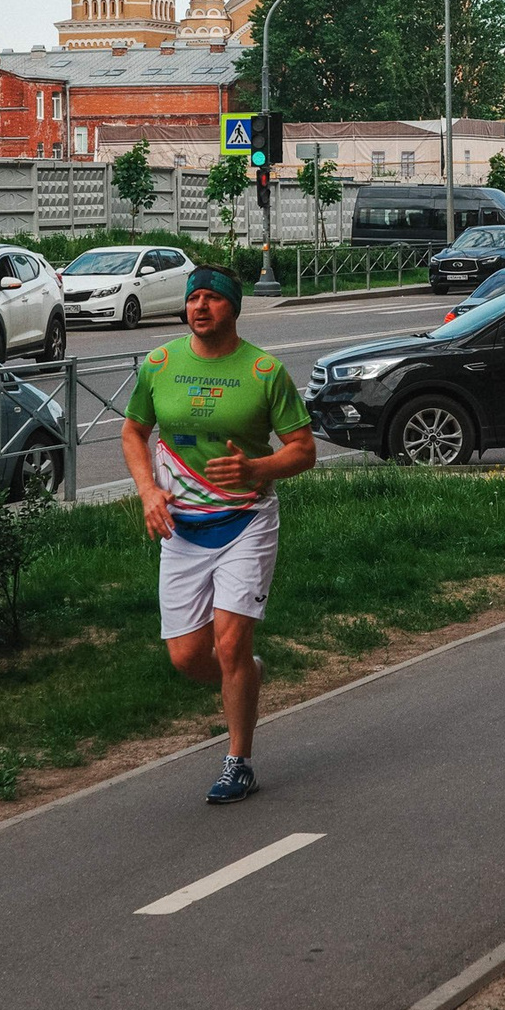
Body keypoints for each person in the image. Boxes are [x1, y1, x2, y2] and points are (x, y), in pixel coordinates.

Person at [121, 265, 315, 804]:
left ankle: (239, 760)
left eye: (212, 299)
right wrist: (148, 492)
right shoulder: (161, 364)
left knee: (229, 643)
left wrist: (258, 469)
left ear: (233, 308)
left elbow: (303, 450)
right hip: (181, 527)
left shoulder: (263, 371)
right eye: (194, 299)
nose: (200, 307)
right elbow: (134, 431)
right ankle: (246, 677)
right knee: (187, 657)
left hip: (246, 523)